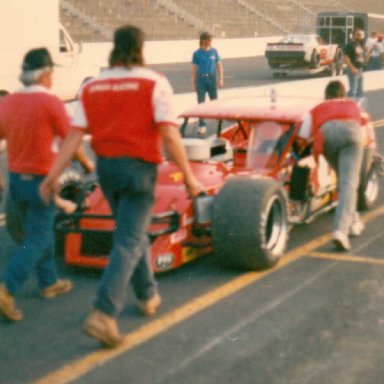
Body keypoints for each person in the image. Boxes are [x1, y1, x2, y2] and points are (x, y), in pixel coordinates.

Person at [39, 25, 203, 348]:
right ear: (141, 48)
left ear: (114, 47)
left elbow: (74, 136)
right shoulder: (155, 83)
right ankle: (103, 311)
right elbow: (170, 136)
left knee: (132, 231)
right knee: (128, 240)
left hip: (107, 170)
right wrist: (189, 177)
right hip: (139, 171)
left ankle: (147, 295)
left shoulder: (93, 86)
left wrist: (51, 176)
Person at [0, 48, 75, 322]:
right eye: (52, 71)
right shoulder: (50, 102)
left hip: (17, 180)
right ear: (44, 73)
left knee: (40, 228)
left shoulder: (7, 102)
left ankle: (49, 281)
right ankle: (7, 287)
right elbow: (71, 138)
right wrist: (88, 165)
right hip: (42, 180)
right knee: (38, 236)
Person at [298, 80, 365, 251]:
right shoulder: (352, 104)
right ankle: (341, 231)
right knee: (348, 184)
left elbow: (303, 136)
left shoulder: (317, 108)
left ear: (326, 95)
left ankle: (354, 221)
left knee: (344, 181)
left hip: (327, 136)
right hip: (352, 134)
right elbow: (362, 123)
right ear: (343, 94)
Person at [192, 31, 224, 134]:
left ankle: (219, 123)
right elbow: (194, 69)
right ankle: (202, 125)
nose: (210, 41)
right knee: (201, 103)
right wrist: (194, 82)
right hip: (201, 80)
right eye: (208, 39)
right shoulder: (196, 54)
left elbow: (219, 65)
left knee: (215, 102)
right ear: (203, 40)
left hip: (211, 79)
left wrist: (221, 78)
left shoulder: (214, 51)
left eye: (211, 39)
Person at [343, 29, 366, 103]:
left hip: (360, 69)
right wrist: (352, 68)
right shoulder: (349, 45)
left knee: (360, 91)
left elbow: (359, 56)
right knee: (353, 91)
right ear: (353, 35)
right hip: (353, 69)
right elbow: (345, 58)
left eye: (361, 35)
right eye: (358, 34)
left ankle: (359, 107)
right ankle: (348, 106)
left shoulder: (358, 44)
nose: (360, 36)